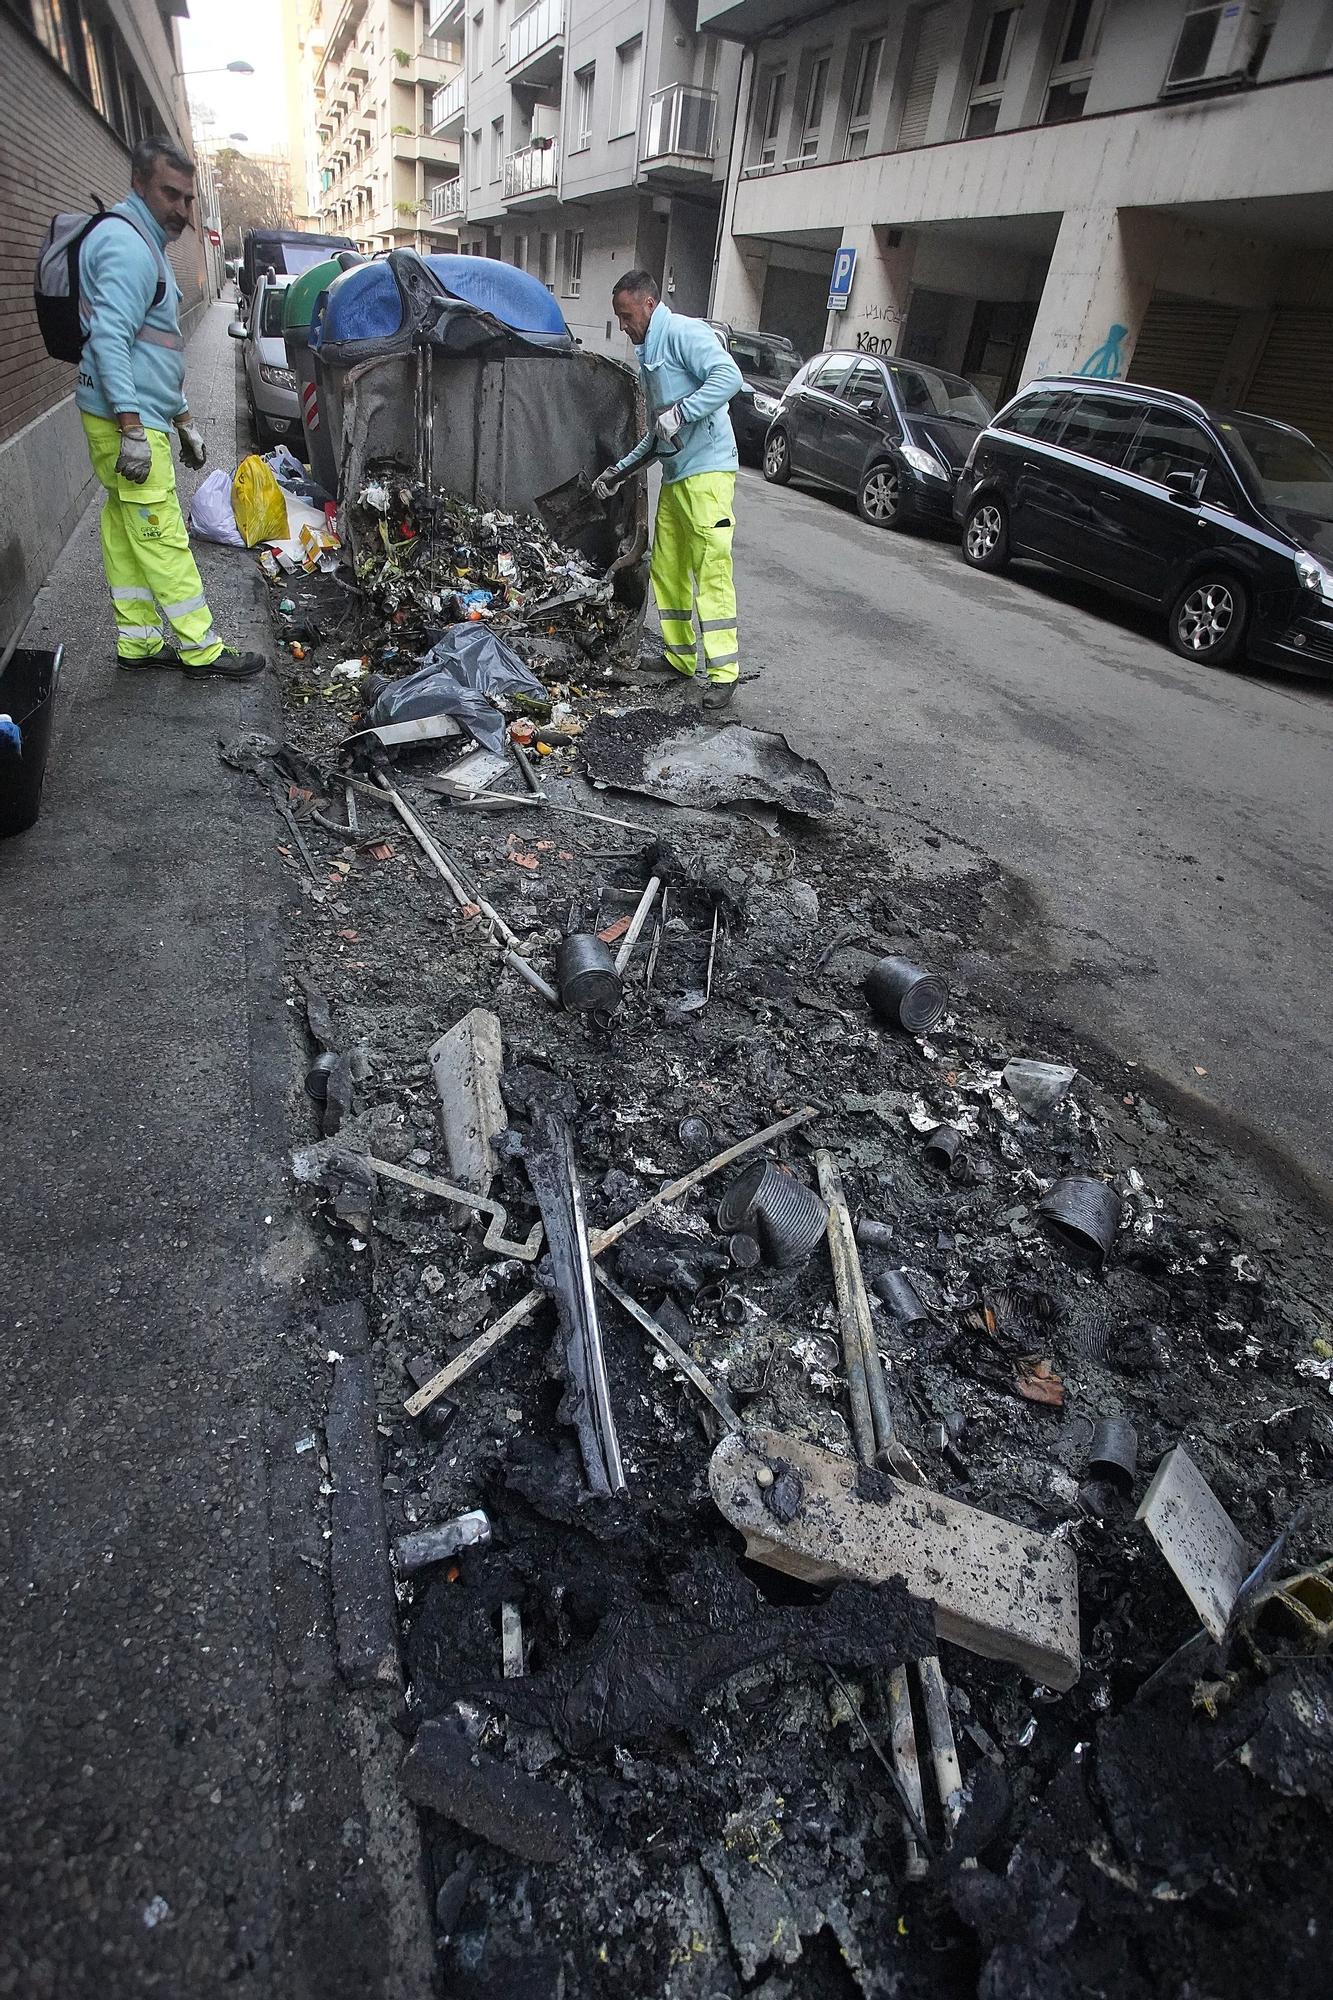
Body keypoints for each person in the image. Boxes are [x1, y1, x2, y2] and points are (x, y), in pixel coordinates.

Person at [75, 136, 263, 679]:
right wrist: (134, 428)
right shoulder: (129, 246)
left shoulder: (142, 241)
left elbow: (152, 349)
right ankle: (201, 649)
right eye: (170, 194)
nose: (180, 209)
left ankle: (136, 641)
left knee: (126, 528)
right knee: (161, 532)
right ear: (139, 184)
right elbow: (110, 341)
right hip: (126, 420)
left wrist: (182, 419)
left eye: (188, 199)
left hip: (135, 415)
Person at [594, 272, 744, 710]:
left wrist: (683, 411)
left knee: (711, 569)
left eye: (625, 316)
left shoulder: (682, 333)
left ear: (648, 303)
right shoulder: (649, 357)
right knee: (669, 569)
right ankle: (679, 658)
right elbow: (658, 436)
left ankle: (723, 673)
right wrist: (617, 473)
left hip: (709, 472)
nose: (623, 326)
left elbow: (728, 377)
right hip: (679, 476)